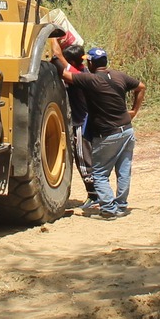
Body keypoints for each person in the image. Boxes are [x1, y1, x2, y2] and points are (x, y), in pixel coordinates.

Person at [56, 44, 144, 218]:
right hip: (127, 130)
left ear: (92, 64)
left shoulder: (91, 80)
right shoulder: (118, 75)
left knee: (99, 174)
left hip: (108, 134)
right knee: (123, 170)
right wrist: (133, 111)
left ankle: (109, 210)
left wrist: (54, 56)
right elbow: (141, 86)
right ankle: (121, 206)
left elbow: (64, 74)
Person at [59, 36, 99, 203]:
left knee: (83, 159)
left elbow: (60, 63)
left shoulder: (78, 76)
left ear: (73, 63)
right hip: (86, 120)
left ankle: (93, 195)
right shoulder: (85, 71)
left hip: (81, 123)